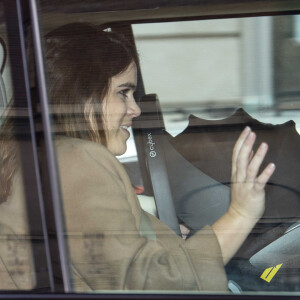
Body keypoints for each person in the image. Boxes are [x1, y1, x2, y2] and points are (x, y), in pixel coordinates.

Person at [0, 22, 275, 291]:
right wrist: (240, 213)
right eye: (123, 92)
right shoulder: (76, 159)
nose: (135, 109)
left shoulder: (30, 159)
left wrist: (157, 235)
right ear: (82, 95)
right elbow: (142, 284)